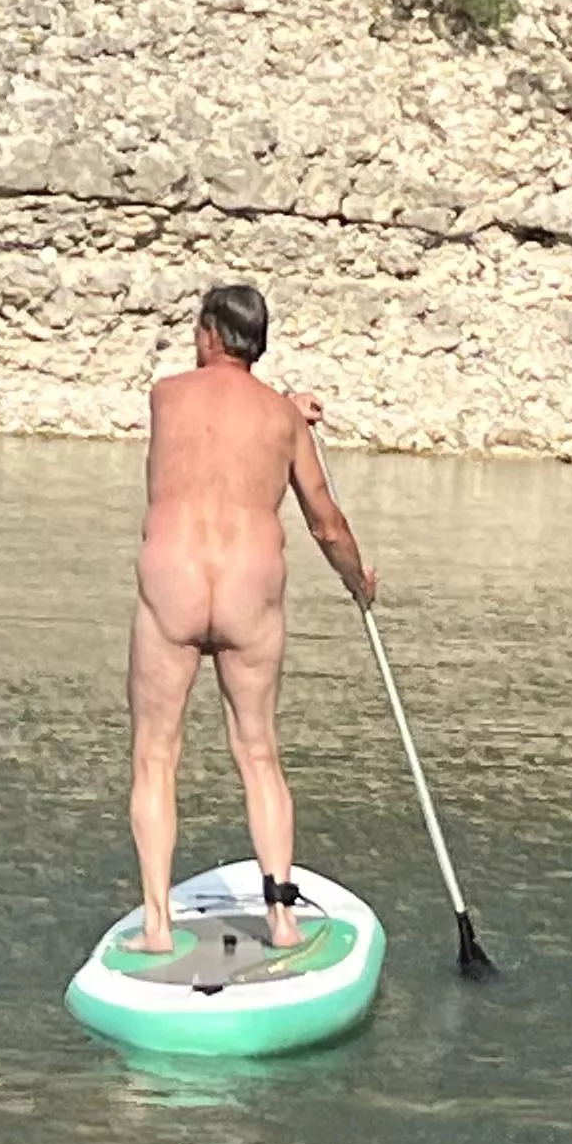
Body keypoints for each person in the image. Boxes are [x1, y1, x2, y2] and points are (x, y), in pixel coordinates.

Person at [129, 281, 373, 957]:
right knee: (259, 752)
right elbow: (326, 524)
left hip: (172, 587)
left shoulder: (166, 396)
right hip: (249, 592)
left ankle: (157, 926)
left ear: (209, 332)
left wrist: (284, 410)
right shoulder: (281, 420)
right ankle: (282, 920)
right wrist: (358, 582)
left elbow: (214, 420)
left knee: (156, 755)